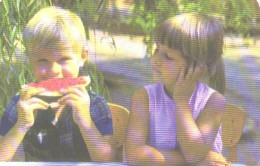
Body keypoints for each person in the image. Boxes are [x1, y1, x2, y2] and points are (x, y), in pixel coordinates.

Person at [0, 6, 117, 162]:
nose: (54, 71)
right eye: (43, 60)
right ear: (30, 60)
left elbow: (109, 161)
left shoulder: (95, 105)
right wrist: (21, 125)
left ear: (82, 57)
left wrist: (85, 122)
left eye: (63, 59)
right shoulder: (19, 105)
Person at [125, 13, 230, 165]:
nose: (156, 59)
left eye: (168, 56)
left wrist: (181, 101)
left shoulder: (214, 102)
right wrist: (200, 162)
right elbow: (135, 156)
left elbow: (193, 153)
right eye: (156, 50)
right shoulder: (144, 97)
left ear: (198, 67)